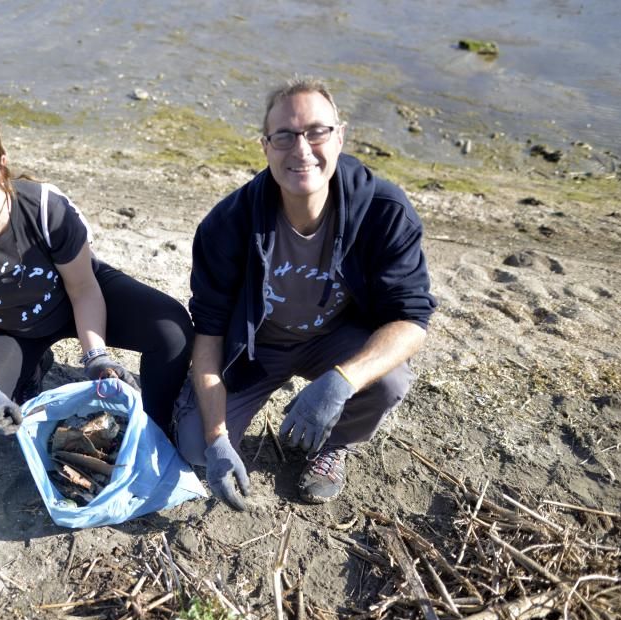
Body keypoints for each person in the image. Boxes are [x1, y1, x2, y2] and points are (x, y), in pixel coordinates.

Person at [175, 78, 436, 509]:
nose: (301, 149)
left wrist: (340, 380)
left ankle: (333, 444)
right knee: (194, 449)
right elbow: (209, 334)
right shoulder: (226, 225)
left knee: (389, 380)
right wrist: (216, 438)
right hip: (257, 348)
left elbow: (412, 321)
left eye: (316, 131)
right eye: (284, 136)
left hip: (335, 339)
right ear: (265, 147)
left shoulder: (384, 211)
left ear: (340, 136)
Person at [0, 104, 193, 435]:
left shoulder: (45, 209)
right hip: (9, 327)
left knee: (173, 330)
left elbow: (84, 288)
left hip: (76, 299)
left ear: (1, 165)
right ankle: (35, 365)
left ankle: (157, 425)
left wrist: (95, 357)